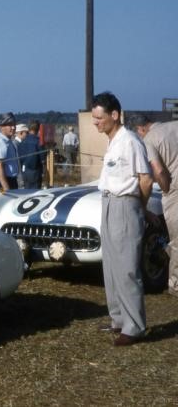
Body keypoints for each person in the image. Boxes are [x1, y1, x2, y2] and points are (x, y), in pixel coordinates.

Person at [92, 92, 153, 347]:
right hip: (108, 203)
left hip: (125, 205)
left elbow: (145, 179)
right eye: (94, 118)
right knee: (112, 266)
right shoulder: (113, 141)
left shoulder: (130, 141)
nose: (96, 122)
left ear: (114, 115)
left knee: (126, 266)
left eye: (99, 117)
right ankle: (118, 318)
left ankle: (134, 326)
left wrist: (137, 208)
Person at [128, 114, 178, 297]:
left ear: (140, 129)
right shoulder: (174, 125)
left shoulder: (150, 139)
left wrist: (165, 189)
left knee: (177, 241)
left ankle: (175, 284)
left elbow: (158, 170)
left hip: (175, 189)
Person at [0, 112, 20, 191]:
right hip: (4, 182)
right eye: (10, 125)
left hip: (11, 180)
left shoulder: (9, 141)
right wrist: (6, 189)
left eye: (14, 125)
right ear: (2, 127)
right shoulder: (1, 142)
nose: (13, 127)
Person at [16, 121, 45, 189]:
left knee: (26, 191)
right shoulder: (38, 142)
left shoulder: (22, 141)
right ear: (38, 130)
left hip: (24, 171)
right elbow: (42, 158)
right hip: (35, 171)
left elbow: (20, 157)